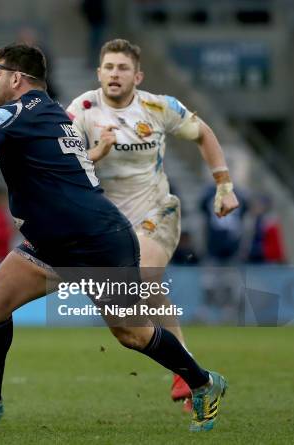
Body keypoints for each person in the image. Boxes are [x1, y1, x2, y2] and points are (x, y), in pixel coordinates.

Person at [0, 43, 228, 432]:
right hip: (53, 240)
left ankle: (204, 382)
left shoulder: (24, 111)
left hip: (95, 239)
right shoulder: (29, 112)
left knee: (131, 333)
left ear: (16, 79)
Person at [65, 38, 239, 409]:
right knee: (127, 318)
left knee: (143, 278)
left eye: (123, 68)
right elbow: (64, 166)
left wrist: (224, 186)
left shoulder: (159, 107)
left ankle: (184, 372)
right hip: (107, 223)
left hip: (156, 211)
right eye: (108, 67)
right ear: (98, 73)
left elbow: (204, 134)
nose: (115, 74)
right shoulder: (81, 109)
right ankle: (191, 369)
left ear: (137, 76)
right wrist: (96, 152)